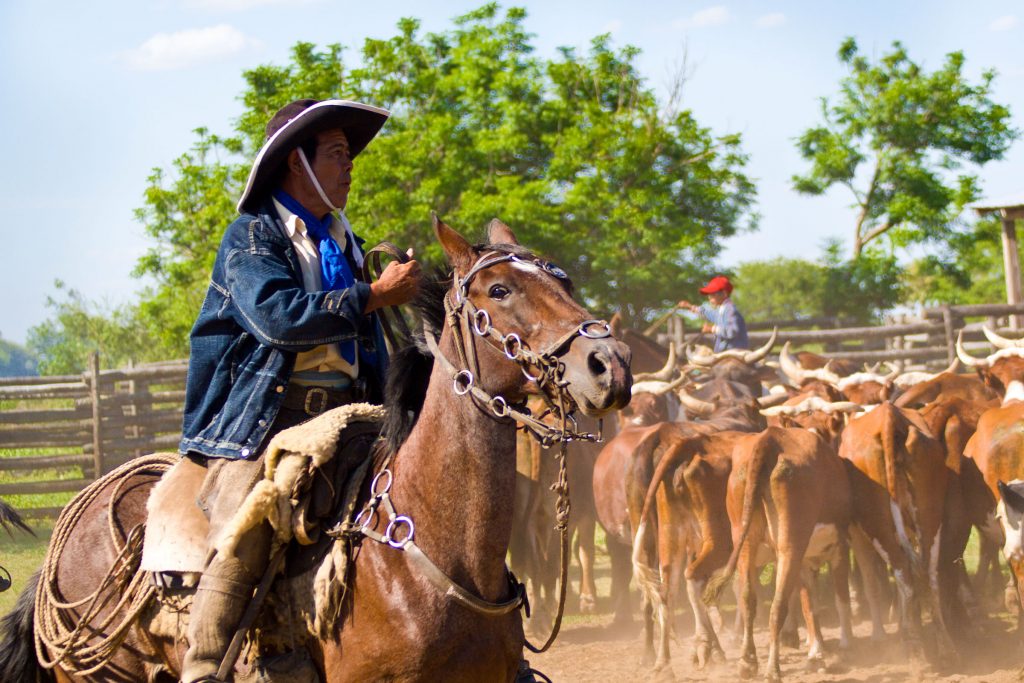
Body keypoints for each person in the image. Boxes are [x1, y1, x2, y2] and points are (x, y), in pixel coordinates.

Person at [177, 99, 422, 683]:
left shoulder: (343, 240)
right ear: (297, 163)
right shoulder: (251, 237)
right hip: (266, 423)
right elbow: (277, 318)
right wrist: (371, 296)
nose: (350, 166)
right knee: (247, 529)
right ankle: (205, 666)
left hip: (353, 414)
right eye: (337, 153)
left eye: (348, 154)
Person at [678, 274, 749, 352]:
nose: (709, 297)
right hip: (725, 352)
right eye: (709, 294)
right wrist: (691, 307)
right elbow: (710, 314)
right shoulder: (722, 309)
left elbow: (731, 331)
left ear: (724, 293)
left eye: (713, 294)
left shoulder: (730, 310)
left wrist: (712, 329)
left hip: (734, 352)